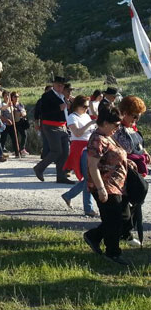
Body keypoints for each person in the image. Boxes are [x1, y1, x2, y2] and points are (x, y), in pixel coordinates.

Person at [83, 107, 136, 265]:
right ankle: (112, 253)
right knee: (113, 220)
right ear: (105, 123)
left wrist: (128, 162)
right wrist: (100, 189)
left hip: (119, 185)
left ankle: (93, 236)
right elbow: (93, 166)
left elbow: (116, 154)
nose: (117, 128)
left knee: (123, 218)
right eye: (115, 125)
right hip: (106, 186)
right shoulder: (97, 139)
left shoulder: (108, 135)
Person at [60, 96, 97, 216]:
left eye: (87, 106)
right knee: (89, 178)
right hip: (79, 148)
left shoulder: (86, 116)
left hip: (89, 146)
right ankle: (88, 208)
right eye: (84, 106)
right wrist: (90, 123)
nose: (86, 109)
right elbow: (77, 132)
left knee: (89, 178)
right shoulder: (72, 117)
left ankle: (69, 195)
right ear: (77, 106)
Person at [33, 76, 74, 184]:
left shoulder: (62, 96)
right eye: (58, 85)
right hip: (51, 126)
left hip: (63, 126)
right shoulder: (47, 96)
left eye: (62, 86)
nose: (60, 87)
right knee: (56, 151)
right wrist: (58, 108)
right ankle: (39, 168)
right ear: (54, 85)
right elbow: (44, 112)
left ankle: (61, 176)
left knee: (66, 151)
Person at [113, 95, 149, 176]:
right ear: (125, 113)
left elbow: (138, 143)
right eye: (135, 116)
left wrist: (144, 152)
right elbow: (123, 149)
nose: (136, 120)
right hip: (123, 170)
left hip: (137, 169)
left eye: (138, 117)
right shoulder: (116, 129)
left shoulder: (132, 126)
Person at [0, 91, 28, 158]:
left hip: (12, 125)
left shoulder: (11, 105)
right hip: (4, 124)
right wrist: (6, 120)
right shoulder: (1, 104)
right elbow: (0, 115)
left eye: (8, 96)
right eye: (6, 96)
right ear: (3, 96)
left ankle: (17, 153)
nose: (7, 97)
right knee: (3, 139)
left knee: (15, 139)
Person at [34, 85, 53, 159]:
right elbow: (36, 114)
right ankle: (45, 157)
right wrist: (37, 123)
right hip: (44, 122)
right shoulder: (41, 101)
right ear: (45, 91)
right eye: (49, 91)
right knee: (46, 141)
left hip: (54, 123)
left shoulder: (55, 100)